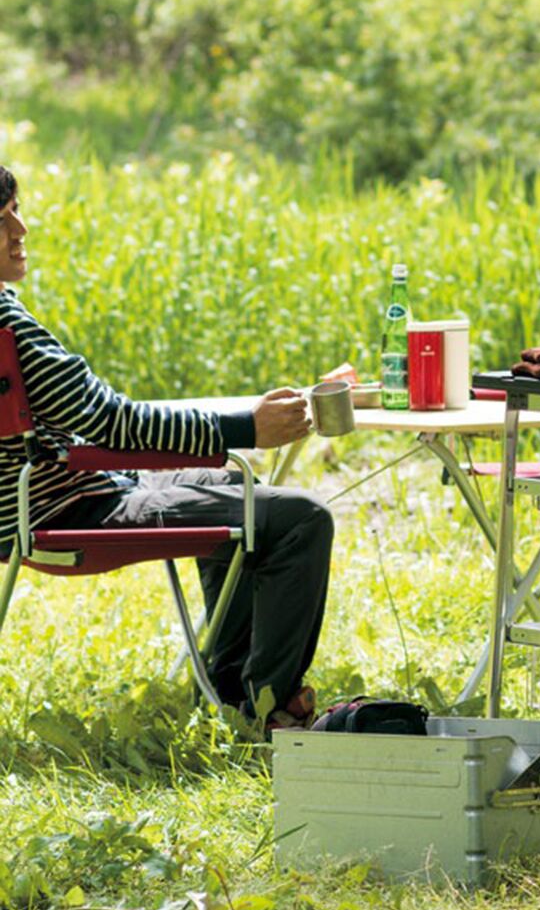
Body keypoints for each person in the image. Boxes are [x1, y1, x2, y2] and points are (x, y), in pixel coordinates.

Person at [0, 164, 333, 731]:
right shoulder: (9, 326)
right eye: (2, 219)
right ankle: (269, 707)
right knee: (302, 519)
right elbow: (113, 423)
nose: (22, 229)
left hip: (39, 502)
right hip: (70, 508)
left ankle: (229, 685)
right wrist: (244, 429)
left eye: (16, 210)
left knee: (232, 489)